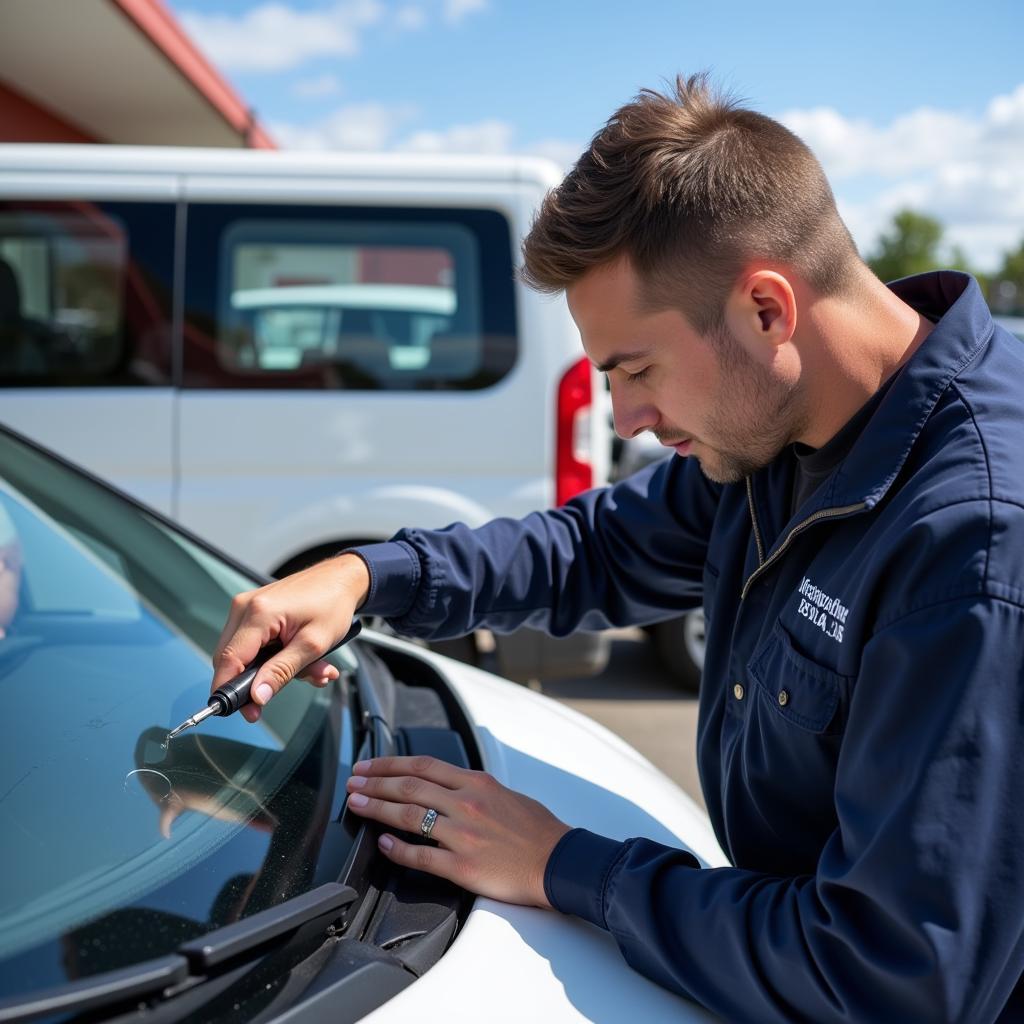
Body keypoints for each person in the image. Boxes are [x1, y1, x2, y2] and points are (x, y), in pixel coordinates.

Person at [212, 74, 1024, 1021]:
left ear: (768, 309)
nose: (625, 418)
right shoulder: (789, 423)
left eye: (636, 368)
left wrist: (565, 866)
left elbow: (893, 979)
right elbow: (594, 549)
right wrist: (369, 575)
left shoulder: (974, 547)